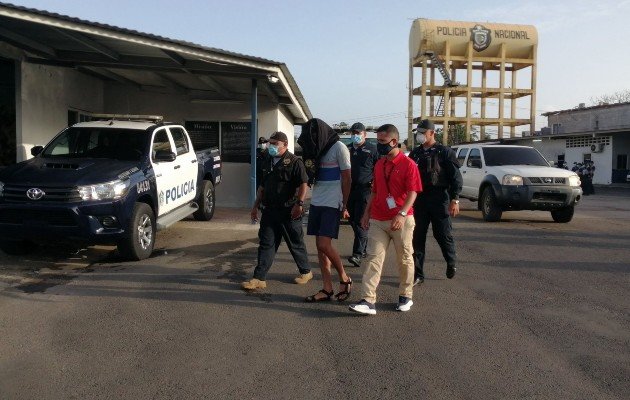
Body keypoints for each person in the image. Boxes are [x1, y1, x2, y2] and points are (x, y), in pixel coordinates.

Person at [349, 124, 422, 315]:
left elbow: (413, 192)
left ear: (394, 141)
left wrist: (402, 213)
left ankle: (406, 296)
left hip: (401, 221)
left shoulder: (409, 165)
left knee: (405, 259)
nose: (379, 145)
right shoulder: (379, 164)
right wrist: (366, 213)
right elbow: (375, 191)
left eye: (382, 142)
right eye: (377, 141)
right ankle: (368, 300)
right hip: (378, 219)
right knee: (373, 258)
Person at [241, 131, 313, 290]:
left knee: (295, 242)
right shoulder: (267, 160)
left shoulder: (294, 162)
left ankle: (306, 271)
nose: (271, 146)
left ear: (285, 145)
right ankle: (259, 278)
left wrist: (299, 204)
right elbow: (262, 186)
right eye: (270, 143)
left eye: (275, 144)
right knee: (266, 243)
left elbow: (303, 184)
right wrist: (255, 207)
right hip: (269, 210)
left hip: (289, 210)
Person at [299, 118, 353, 302]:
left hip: (332, 202)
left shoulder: (339, 147)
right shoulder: (315, 150)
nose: (311, 138)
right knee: (320, 249)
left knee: (324, 244)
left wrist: (345, 204)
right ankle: (327, 288)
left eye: (314, 135)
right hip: (317, 202)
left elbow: (347, 178)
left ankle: (345, 278)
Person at [408, 119, 463, 285]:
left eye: (422, 133)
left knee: (443, 234)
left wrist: (455, 199)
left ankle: (451, 262)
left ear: (432, 133)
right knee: (417, 237)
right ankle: (418, 274)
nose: (419, 136)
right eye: (418, 133)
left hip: (440, 198)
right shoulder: (415, 154)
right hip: (420, 200)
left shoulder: (444, 152)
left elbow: (456, 178)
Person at [345, 122, 379, 268]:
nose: (355, 136)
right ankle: (363, 248)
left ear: (365, 134)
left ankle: (357, 254)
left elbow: (380, 167)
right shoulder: (347, 150)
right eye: (353, 133)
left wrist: (375, 183)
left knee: (360, 222)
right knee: (352, 220)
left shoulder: (372, 149)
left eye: (358, 133)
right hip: (350, 189)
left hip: (365, 190)